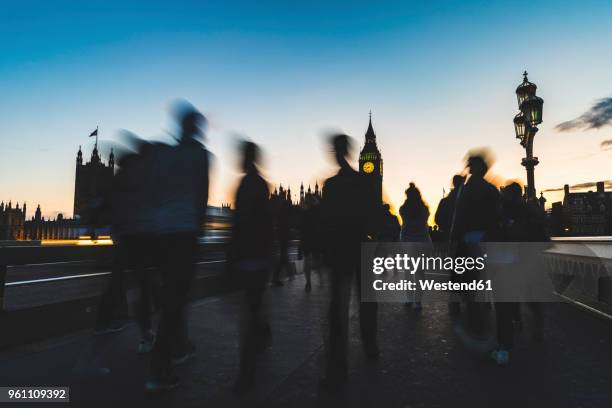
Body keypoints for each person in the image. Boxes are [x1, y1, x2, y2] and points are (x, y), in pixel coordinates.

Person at [146, 104, 210, 393]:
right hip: (184, 234)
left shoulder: (164, 156)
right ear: (195, 127)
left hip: (161, 235)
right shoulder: (199, 155)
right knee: (175, 301)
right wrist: (198, 229)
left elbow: (153, 193)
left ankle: (179, 346)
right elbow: (201, 195)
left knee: (171, 298)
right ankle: (159, 370)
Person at [319, 134, 378, 390]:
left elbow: (325, 221)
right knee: (366, 300)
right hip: (361, 247)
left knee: (338, 309)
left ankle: (337, 368)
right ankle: (370, 344)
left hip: (340, 250)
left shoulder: (331, 185)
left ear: (336, 152)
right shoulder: (364, 182)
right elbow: (373, 214)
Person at [229, 141, 274, 394]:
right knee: (252, 306)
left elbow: (243, 221)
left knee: (248, 311)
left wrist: (233, 252)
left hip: (250, 254)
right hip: (257, 255)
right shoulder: (258, 183)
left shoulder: (249, 184)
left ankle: (247, 375)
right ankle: (262, 331)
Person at [452, 154, 501, 338]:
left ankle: (477, 325)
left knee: (471, 284)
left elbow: (459, 217)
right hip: (488, 239)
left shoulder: (466, 191)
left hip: (471, 239)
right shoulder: (491, 189)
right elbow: (497, 215)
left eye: (471, 166)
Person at [399, 183, 431, 310]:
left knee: (408, 272)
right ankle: (418, 300)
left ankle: (409, 298)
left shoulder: (403, 208)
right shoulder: (424, 209)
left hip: (408, 242)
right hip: (422, 241)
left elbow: (405, 225)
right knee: (420, 273)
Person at [300, 194, 322, 291]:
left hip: (307, 240)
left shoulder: (304, 213)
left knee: (307, 261)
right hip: (315, 240)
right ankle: (320, 279)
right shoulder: (317, 212)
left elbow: (301, 227)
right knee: (316, 260)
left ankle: (308, 282)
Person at [435, 175, 465, 242]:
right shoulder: (466, 200)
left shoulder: (444, 201)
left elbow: (437, 218)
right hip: (461, 236)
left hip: (448, 235)